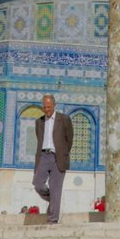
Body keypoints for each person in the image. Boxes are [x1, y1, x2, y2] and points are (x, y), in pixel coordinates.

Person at [33, 93, 73, 224]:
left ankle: (53, 219)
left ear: (54, 106)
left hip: (58, 157)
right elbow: (39, 139)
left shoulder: (64, 119)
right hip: (44, 156)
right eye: (44, 107)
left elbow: (69, 139)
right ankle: (53, 199)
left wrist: (63, 154)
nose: (47, 109)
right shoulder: (39, 122)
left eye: (49, 107)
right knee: (38, 184)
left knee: (55, 187)